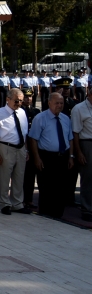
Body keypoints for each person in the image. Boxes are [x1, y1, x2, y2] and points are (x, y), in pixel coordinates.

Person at [28, 93, 74, 218]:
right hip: (46, 157)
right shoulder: (40, 118)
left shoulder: (65, 119)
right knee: (46, 188)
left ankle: (58, 215)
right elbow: (33, 139)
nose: (59, 105)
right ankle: (45, 215)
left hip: (63, 157)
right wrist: (37, 158)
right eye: (57, 103)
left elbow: (70, 139)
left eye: (61, 103)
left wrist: (71, 157)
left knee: (61, 188)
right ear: (49, 103)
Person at [0, 88, 33, 215]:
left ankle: (17, 203)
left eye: (20, 100)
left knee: (19, 177)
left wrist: (27, 150)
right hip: (6, 147)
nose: (19, 103)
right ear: (8, 99)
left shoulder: (22, 112)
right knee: (4, 177)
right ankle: (4, 203)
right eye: (16, 101)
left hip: (21, 148)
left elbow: (25, 133)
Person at [71, 88, 92, 222]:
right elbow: (75, 133)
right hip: (87, 144)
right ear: (89, 94)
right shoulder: (79, 109)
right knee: (88, 177)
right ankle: (87, 209)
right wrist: (78, 152)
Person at [20, 89, 41, 209]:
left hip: (34, 145)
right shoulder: (19, 111)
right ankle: (21, 198)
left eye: (30, 96)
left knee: (31, 174)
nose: (28, 99)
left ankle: (29, 199)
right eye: (26, 97)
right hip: (23, 144)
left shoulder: (36, 111)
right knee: (22, 174)